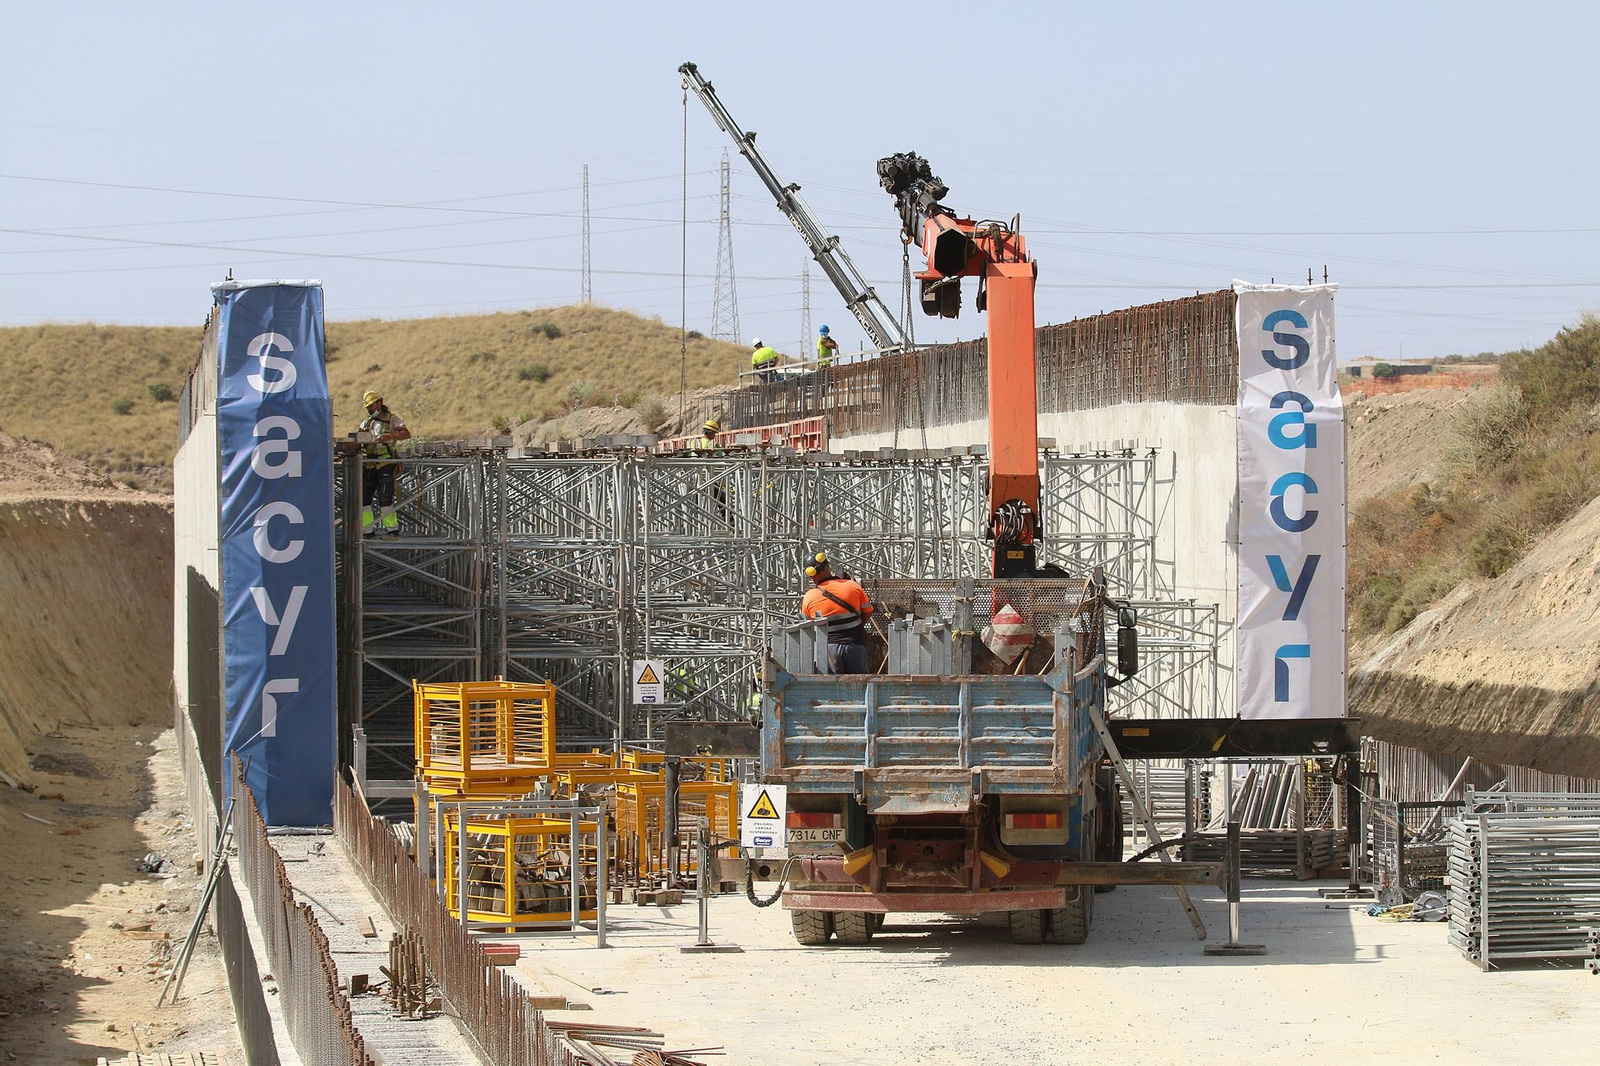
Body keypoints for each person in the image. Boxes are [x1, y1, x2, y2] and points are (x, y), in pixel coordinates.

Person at [799, 552, 874, 674]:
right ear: (828, 567)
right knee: (859, 683)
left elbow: (807, 627)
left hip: (827, 650)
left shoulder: (809, 596)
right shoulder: (852, 586)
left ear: (812, 576)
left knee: (831, 684)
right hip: (855, 646)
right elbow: (868, 612)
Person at [357, 389, 411, 537]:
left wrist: (390, 436)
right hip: (370, 464)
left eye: (371, 406)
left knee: (385, 498)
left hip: (385, 463)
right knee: (364, 499)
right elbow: (358, 437)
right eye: (368, 407)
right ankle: (368, 531)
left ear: (379, 403)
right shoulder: (367, 422)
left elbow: (406, 433)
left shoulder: (391, 419)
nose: (369, 409)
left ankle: (392, 530)